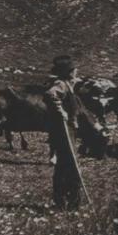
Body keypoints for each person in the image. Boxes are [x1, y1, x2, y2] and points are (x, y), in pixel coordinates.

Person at [44, 55, 88, 210]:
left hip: (68, 130)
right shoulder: (60, 84)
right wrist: (60, 111)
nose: (77, 71)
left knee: (65, 166)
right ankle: (69, 202)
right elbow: (50, 94)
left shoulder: (68, 83)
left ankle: (64, 201)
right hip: (63, 132)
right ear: (69, 72)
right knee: (70, 166)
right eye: (74, 69)